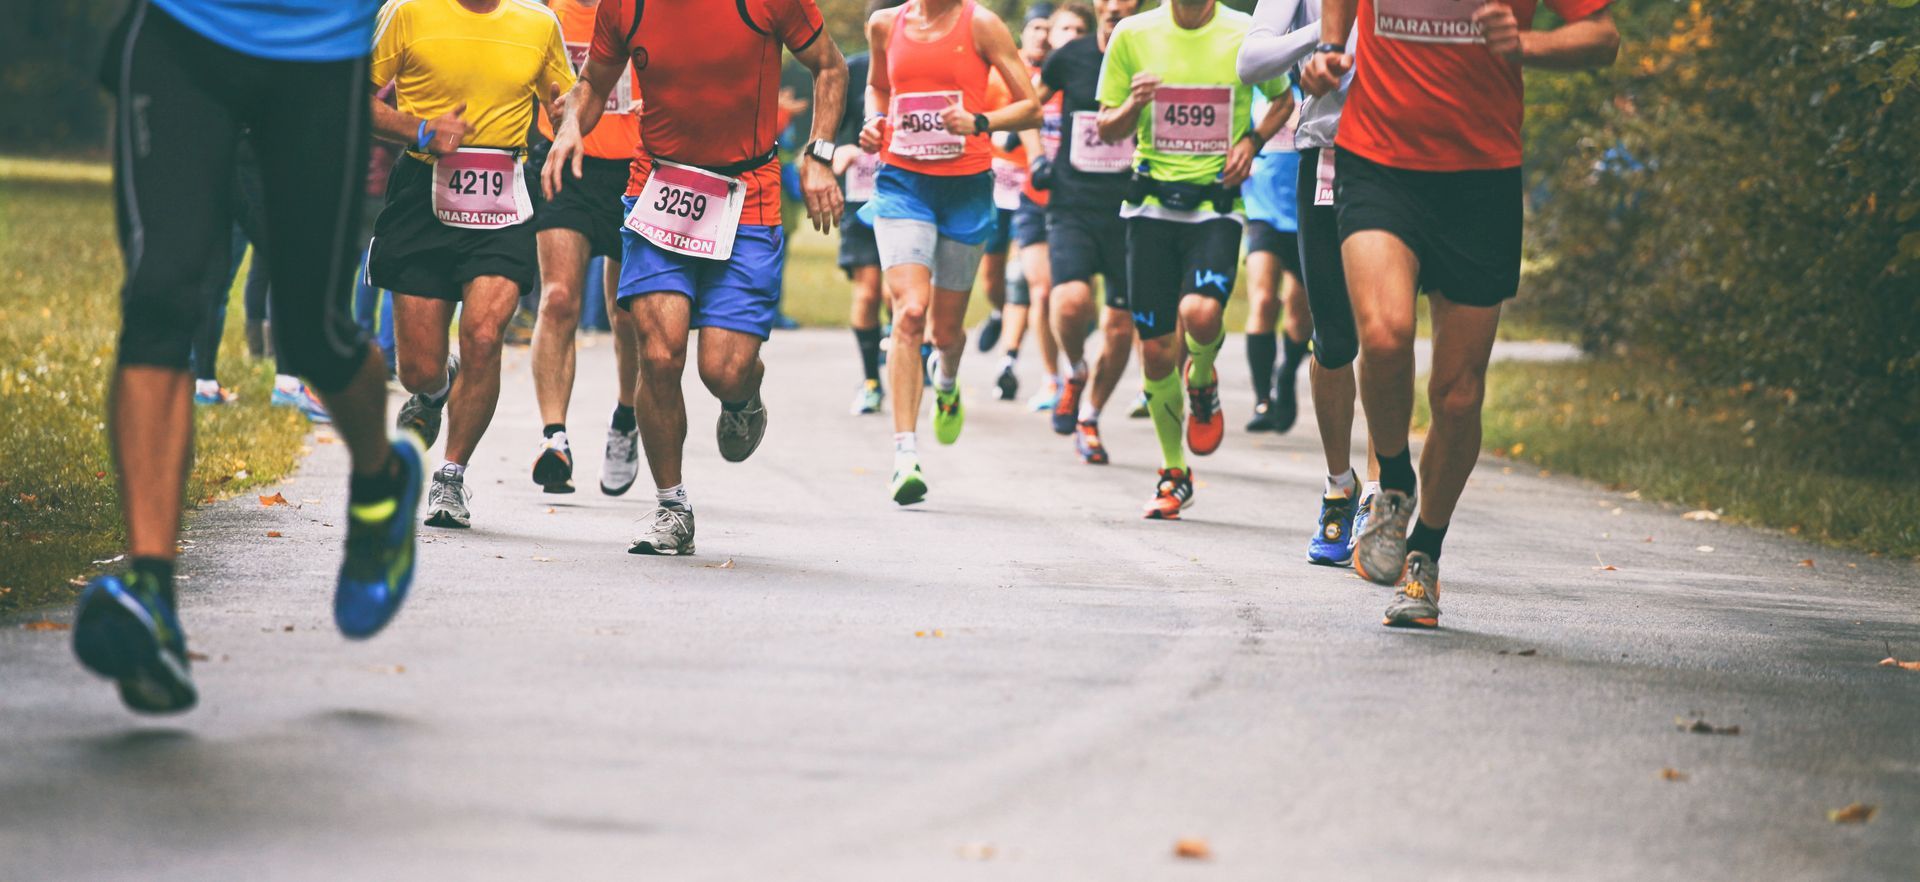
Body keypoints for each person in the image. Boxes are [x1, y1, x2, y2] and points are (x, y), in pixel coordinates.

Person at [75, 0, 425, 715]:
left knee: (314, 331)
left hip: (319, 56)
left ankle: (382, 482)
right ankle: (151, 590)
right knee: (160, 297)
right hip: (182, 34)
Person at [1301, 0, 1618, 624]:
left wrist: (1526, 45)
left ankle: (1424, 554)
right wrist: (1329, 50)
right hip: (1377, 161)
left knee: (1458, 395)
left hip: (1481, 177)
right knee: (1385, 335)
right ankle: (1393, 483)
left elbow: (1603, 37)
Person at [545, 0, 847, 555]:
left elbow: (830, 65)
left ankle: (743, 397)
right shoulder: (625, 6)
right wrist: (569, 129)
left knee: (723, 371)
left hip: (746, 191)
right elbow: (592, 83)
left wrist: (820, 152)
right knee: (658, 355)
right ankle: (671, 506)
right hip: (659, 186)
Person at [368, 0, 576, 529]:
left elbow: (567, 101)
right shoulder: (407, 12)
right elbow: (351, 100)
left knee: (484, 336)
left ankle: (451, 477)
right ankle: (438, 389)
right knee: (417, 368)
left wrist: (568, 122)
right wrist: (419, 131)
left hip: (502, 193)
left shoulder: (538, 22)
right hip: (422, 190)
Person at [1097, 0, 1290, 519]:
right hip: (1149, 208)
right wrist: (1134, 105)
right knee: (1156, 351)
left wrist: (1251, 141)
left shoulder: (1246, 33)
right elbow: (1108, 127)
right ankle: (1173, 471)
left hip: (1215, 206)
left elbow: (1283, 99)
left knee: (1201, 313)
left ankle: (1202, 378)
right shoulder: (1132, 34)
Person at [859, 0, 1040, 505]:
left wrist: (979, 121)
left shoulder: (980, 24)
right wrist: (874, 121)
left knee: (945, 333)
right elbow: (879, 88)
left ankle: (948, 378)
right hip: (902, 185)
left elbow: (1031, 106)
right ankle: (904, 454)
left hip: (965, 190)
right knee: (910, 313)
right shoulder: (884, 24)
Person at [1238, 0, 1376, 567]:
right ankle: (1339, 484)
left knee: (1388, 330)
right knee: (1335, 337)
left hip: (1413, 158)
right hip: (1328, 155)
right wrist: (1330, 30)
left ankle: (1381, 489)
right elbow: (1251, 60)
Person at [524, 0, 646, 497]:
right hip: (564, 163)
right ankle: (555, 438)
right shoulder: (546, 9)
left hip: (635, 166)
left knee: (629, 313)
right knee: (557, 299)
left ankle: (626, 417)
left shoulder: (643, 9)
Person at [1034, 0, 1132, 464]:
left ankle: (1090, 417)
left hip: (1132, 207)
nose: (1115, 5)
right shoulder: (1070, 56)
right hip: (1072, 202)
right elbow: (1028, 105)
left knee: (1120, 325)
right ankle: (1074, 370)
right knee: (1071, 301)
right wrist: (1037, 156)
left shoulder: (1150, 52)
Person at [983, 3, 1066, 411]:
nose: (1043, 36)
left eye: (1049, 29)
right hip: (999, 186)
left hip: (1037, 190)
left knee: (1030, 280)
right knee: (992, 279)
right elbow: (983, 118)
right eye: (1036, 28)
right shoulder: (1003, 70)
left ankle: (1013, 354)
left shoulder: (1064, 74)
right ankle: (999, 315)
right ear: (1023, 33)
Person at [1240, 85, 1310, 435]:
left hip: (1305, 213)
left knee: (1300, 317)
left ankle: (1286, 375)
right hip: (1261, 211)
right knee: (1264, 300)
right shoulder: (1252, 89)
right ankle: (1262, 398)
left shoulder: (1313, 86)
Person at [835, 47, 889, 416]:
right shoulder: (853, 70)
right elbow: (832, 129)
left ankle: (916, 355)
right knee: (869, 293)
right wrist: (837, 150)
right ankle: (871, 381)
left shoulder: (921, 62)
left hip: (911, 196)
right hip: (861, 198)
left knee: (897, 295)